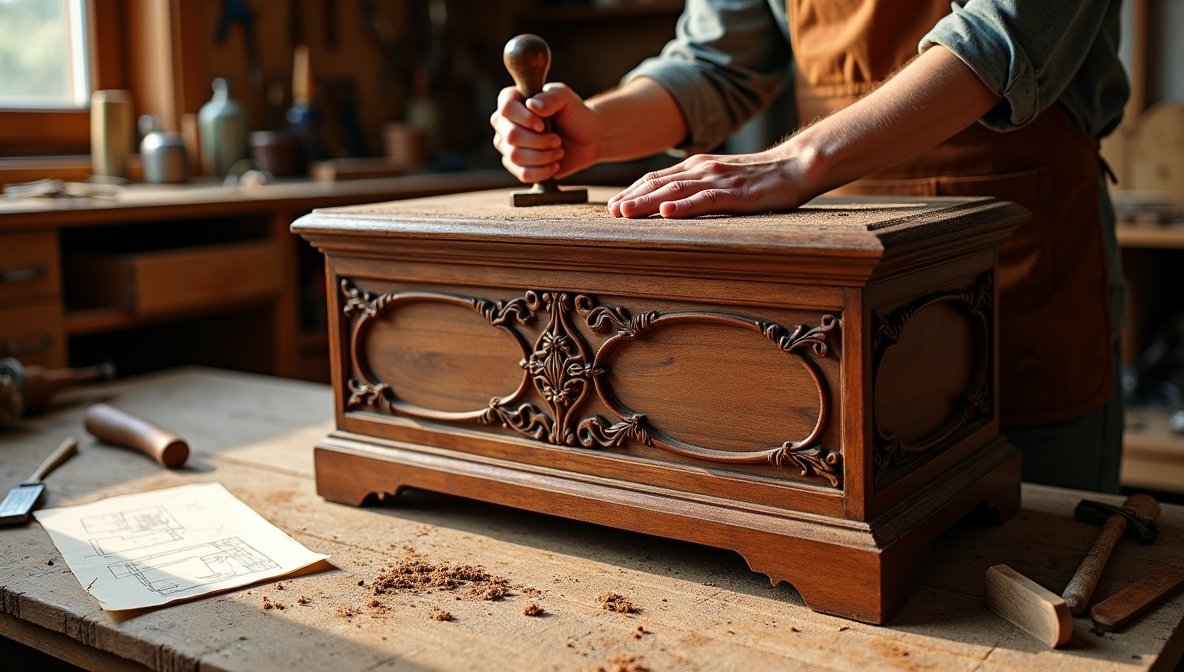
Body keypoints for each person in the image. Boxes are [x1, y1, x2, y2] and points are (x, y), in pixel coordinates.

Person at [490, 0, 1129, 493]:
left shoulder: (802, 163)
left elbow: (997, 37)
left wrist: (800, 161)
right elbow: (716, 62)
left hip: (1020, 260)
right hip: (836, 255)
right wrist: (597, 131)